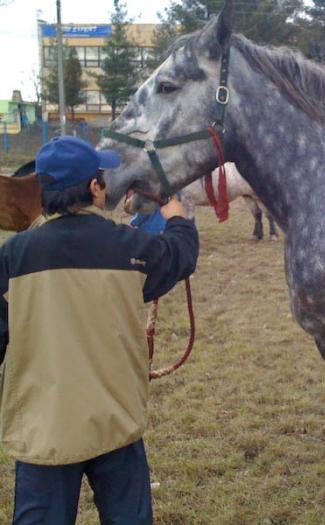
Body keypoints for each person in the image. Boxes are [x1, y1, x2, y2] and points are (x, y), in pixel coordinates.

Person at [0, 136, 199, 525]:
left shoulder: (11, 257)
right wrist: (176, 216)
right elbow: (179, 255)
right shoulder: (131, 247)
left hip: (45, 433)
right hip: (116, 425)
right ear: (95, 188)